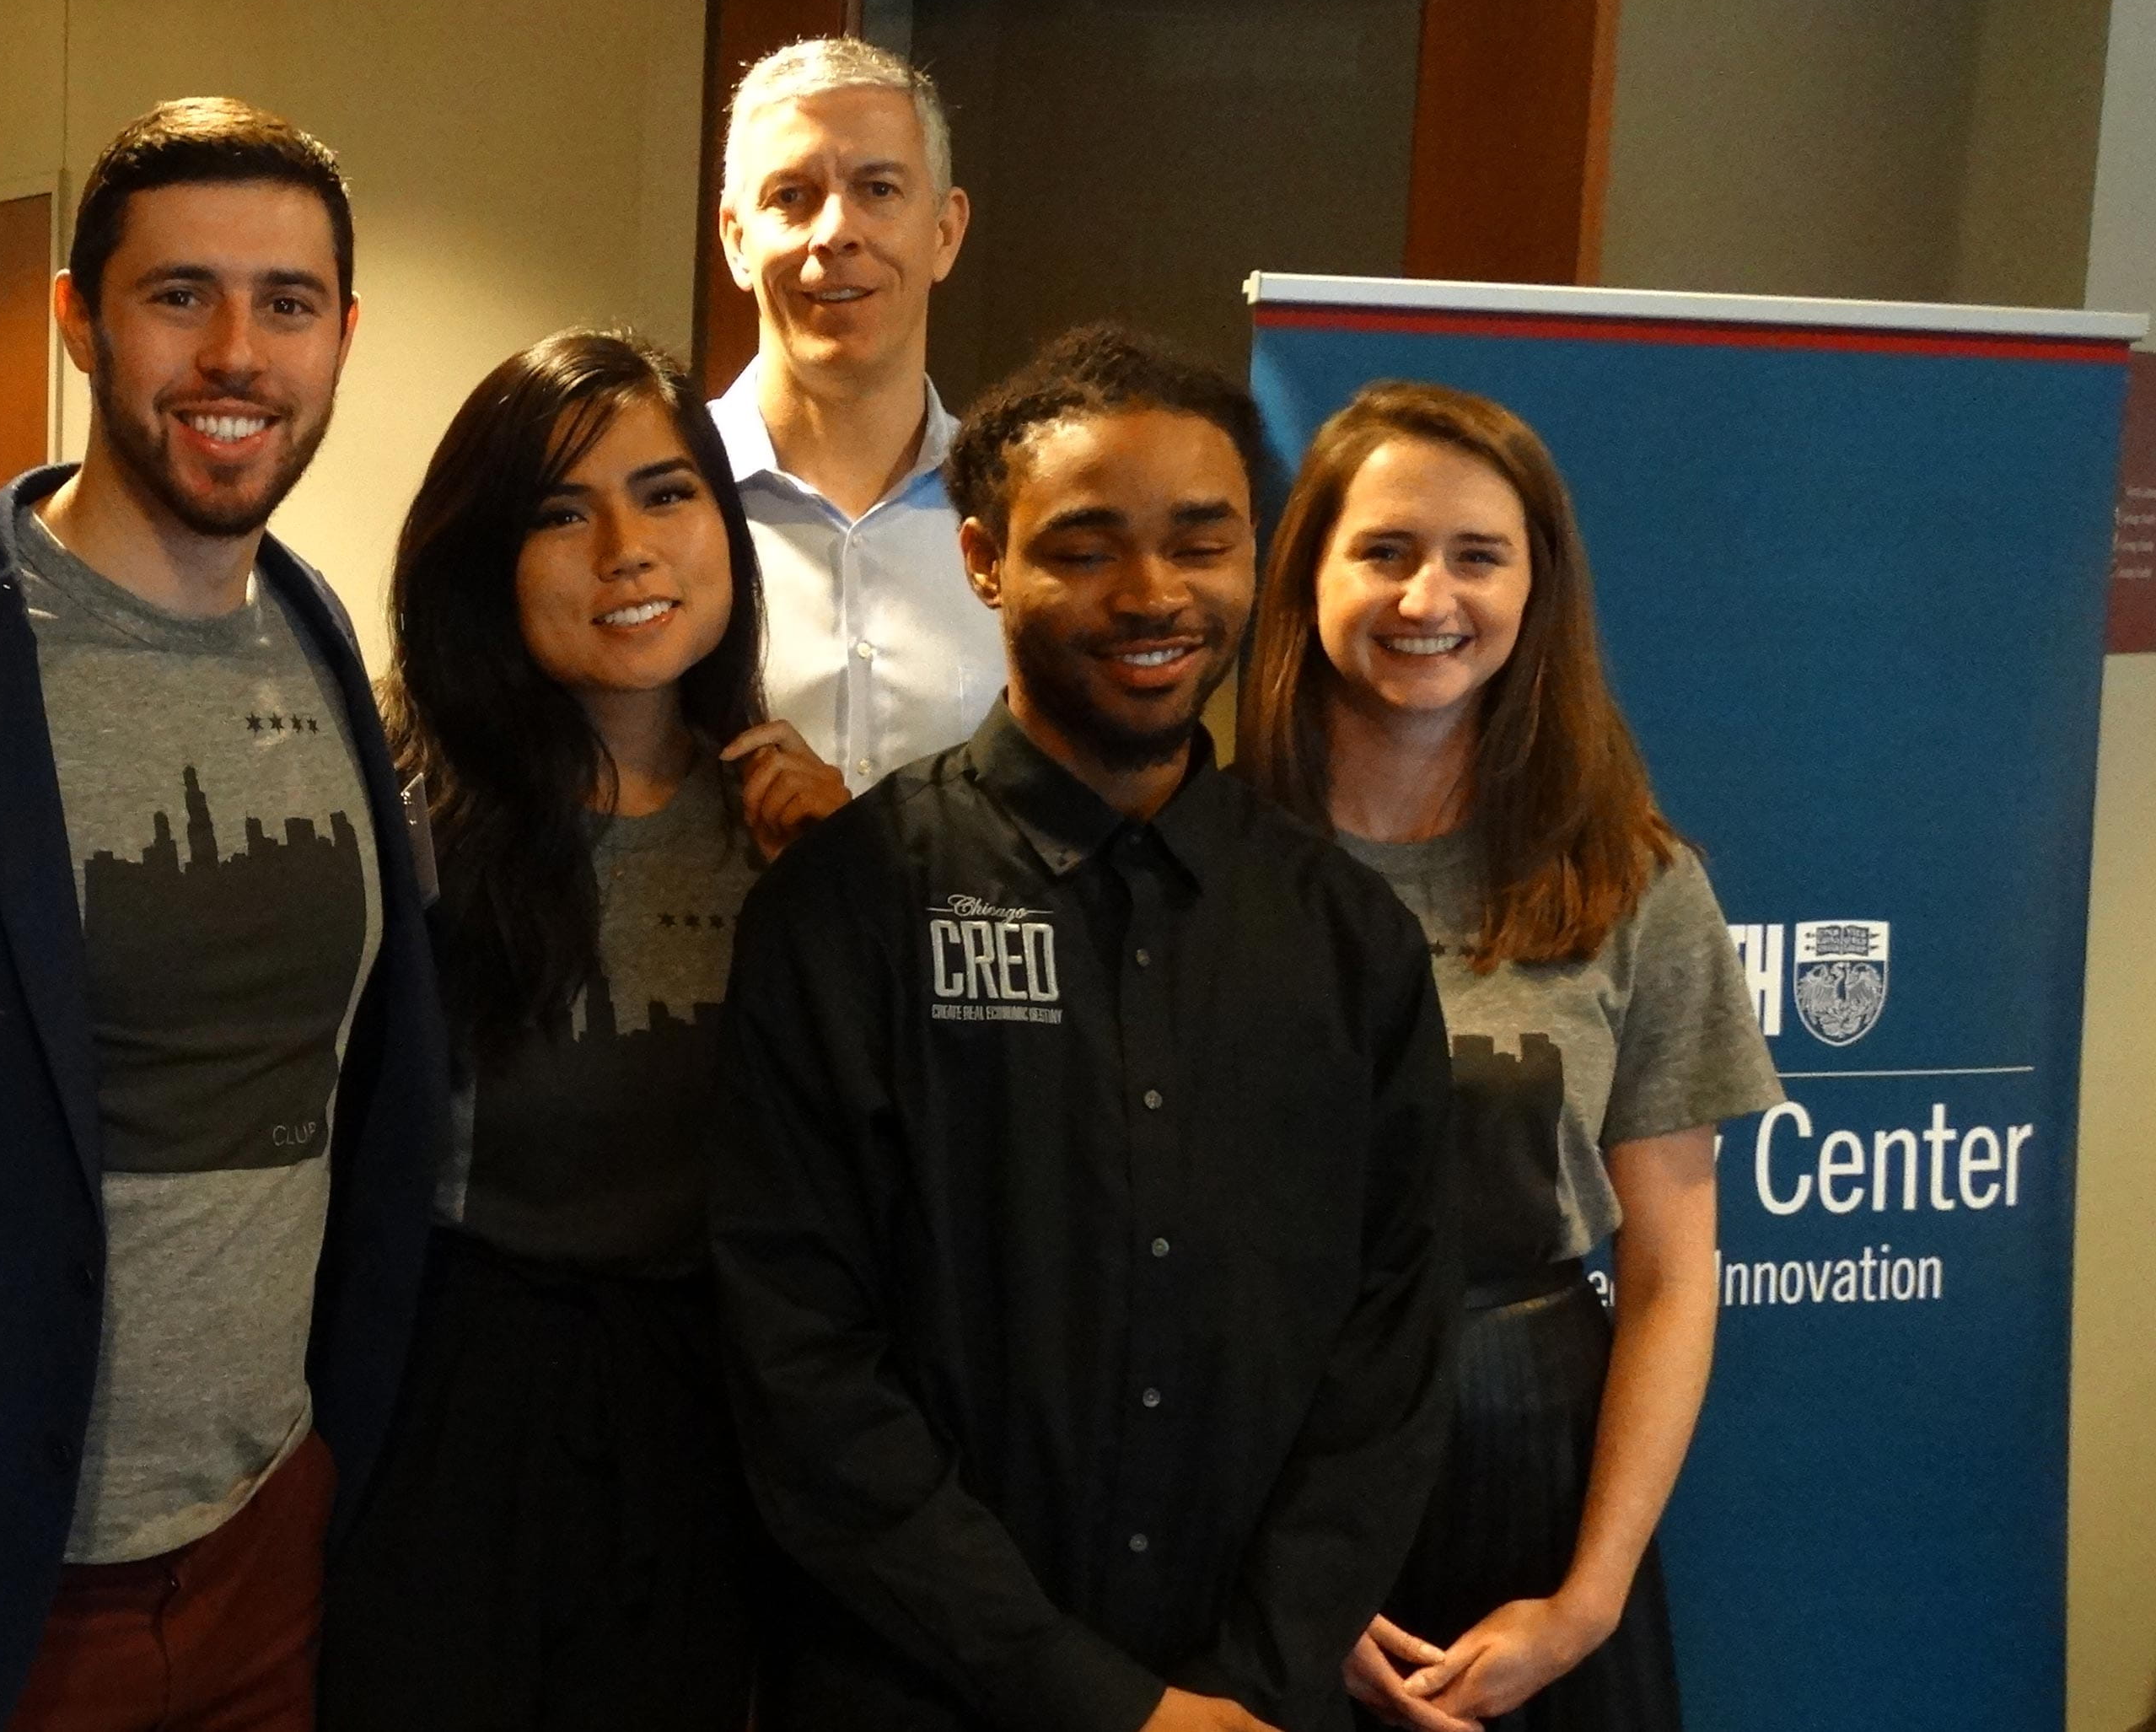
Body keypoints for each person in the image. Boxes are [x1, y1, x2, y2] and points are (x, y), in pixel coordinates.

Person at [711, 323, 1460, 1732]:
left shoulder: (1348, 939)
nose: (1152, 592)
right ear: (983, 558)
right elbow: (802, 1363)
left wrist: (1247, 1684)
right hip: (921, 1693)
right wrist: (1099, 1701)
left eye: (1201, 540)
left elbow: (1393, 1350)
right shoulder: (849, 908)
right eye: (1084, 546)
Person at [0, 99, 445, 1732]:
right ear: (78, 317)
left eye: (286, 303)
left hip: (267, 1541)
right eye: (181, 295)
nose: (235, 351)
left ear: (342, 335)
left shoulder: (315, 626)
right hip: (12, 1570)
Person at [320, 328, 846, 1730]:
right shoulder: (403, 814)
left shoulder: (798, 828)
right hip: (452, 1414)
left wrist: (851, 890)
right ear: (487, 558)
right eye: (562, 513)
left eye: (667, 493)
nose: (626, 549)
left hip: (704, 1417)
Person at [1234, 385, 1780, 1732]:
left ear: (1539, 589)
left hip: (1538, 1471)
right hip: (1256, 1474)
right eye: (1384, 549)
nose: (1430, 594)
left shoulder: (1633, 880)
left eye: (1478, 554)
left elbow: (1670, 1274)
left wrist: (1586, 1600)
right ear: (1308, 574)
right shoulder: (1202, 862)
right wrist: (1283, 1583)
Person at [707, 35, 999, 793]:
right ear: (736, 241)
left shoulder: (1020, 514)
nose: (836, 231)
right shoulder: (659, 503)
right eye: (791, 196)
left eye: (878, 189)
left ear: (945, 233)